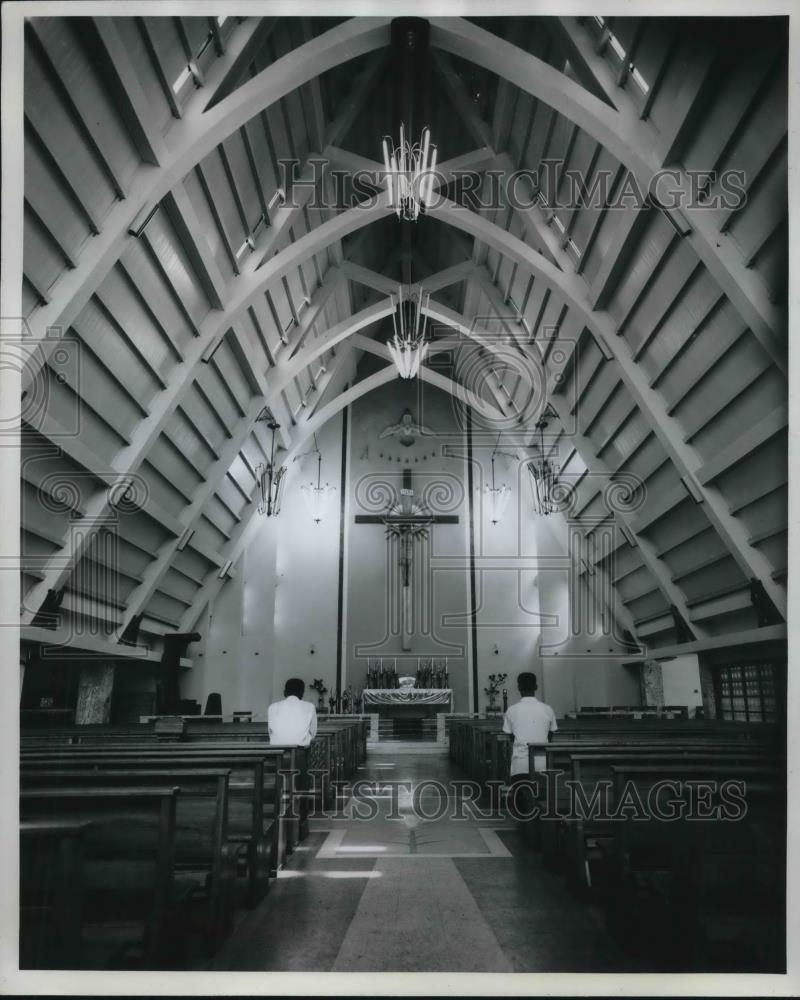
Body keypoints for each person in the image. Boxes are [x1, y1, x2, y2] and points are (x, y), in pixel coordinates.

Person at [503, 671, 557, 778]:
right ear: (536, 687)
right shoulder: (548, 709)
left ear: (518, 687)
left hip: (519, 766)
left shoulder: (511, 710)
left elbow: (510, 736)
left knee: (518, 791)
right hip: (543, 765)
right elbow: (550, 736)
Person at [268, 678, 317, 746]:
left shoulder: (272, 707)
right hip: (300, 748)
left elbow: (270, 732)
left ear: (285, 692)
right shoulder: (310, 706)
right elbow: (313, 733)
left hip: (276, 745)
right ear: (302, 693)